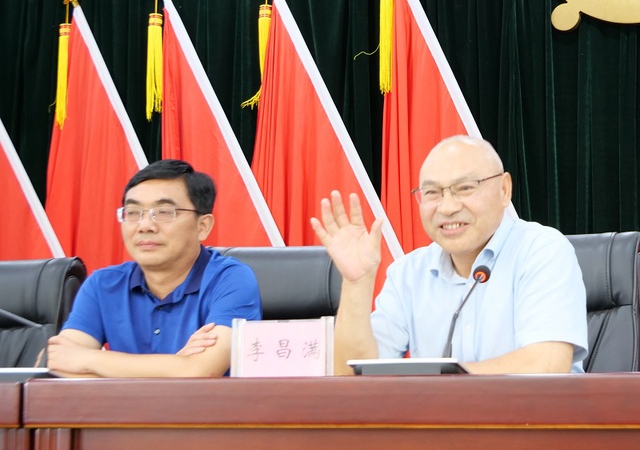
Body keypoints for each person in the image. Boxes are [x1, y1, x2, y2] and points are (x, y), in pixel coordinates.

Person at [311, 136, 588, 375]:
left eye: (465, 188)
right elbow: (351, 374)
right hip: (433, 420)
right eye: (432, 193)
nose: (447, 207)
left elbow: (547, 364)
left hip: (532, 419)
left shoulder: (541, 251)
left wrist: (437, 383)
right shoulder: (409, 273)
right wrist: (357, 284)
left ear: (504, 190)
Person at [46, 159, 261, 377]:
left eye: (164, 212)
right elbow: (58, 363)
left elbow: (200, 370)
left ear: (202, 226)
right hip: (129, 403)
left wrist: (89, 360)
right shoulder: (102, 285)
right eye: (133, 213)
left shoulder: (230, 279)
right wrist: (176, 365)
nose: (145, 226)